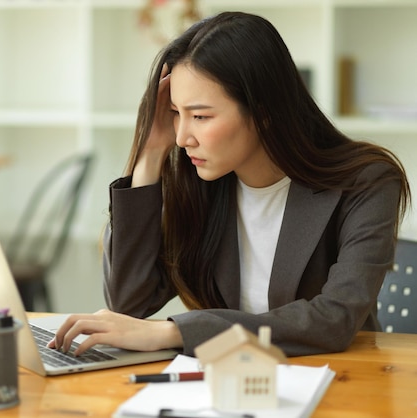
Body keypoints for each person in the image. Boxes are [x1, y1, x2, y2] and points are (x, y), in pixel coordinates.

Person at [48, 11, 411, 357]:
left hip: (338, 379)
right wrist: (149, 154)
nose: (183, 137)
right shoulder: (200, 181)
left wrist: (176, 331)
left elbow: (335, 319)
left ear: (264, 112)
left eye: (201, 116)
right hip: (227, 384)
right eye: (176, 114)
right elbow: (129, 304)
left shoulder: (367, 182)